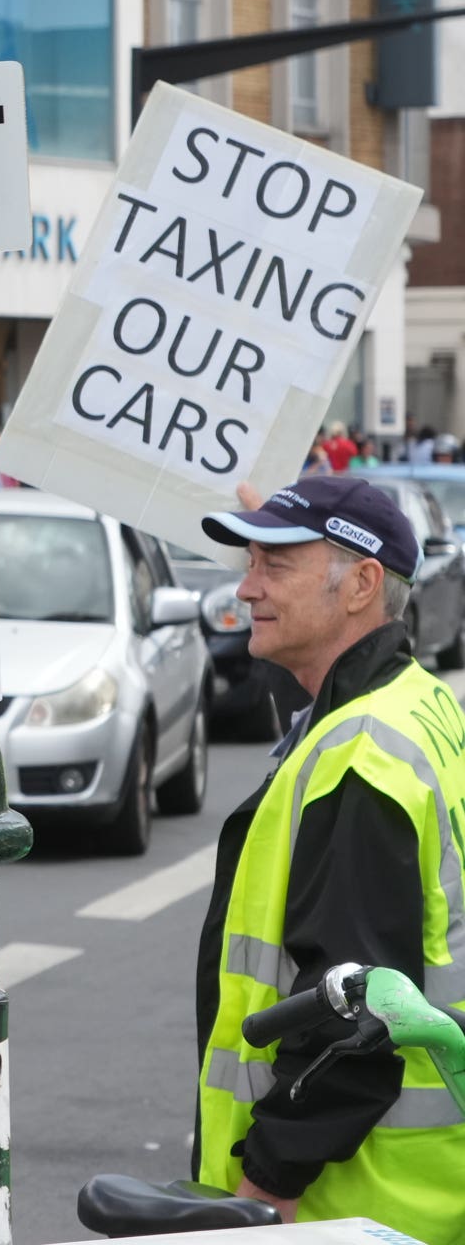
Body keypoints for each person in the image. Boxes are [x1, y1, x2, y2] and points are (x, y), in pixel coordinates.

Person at [190, 475, 465, 1241]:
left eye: (275, 565)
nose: (246, 587)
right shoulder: (417, 703)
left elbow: (355, 1007)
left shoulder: (362, 754)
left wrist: (267, 1184)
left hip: (349, 1206)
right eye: (250, 560)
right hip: (423, 1193)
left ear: (362, 585)